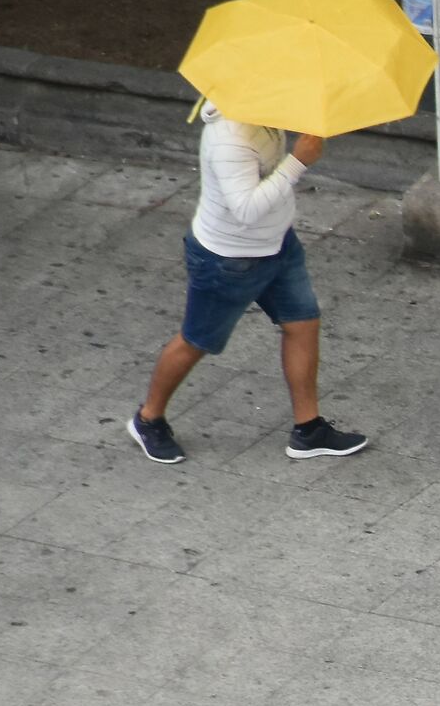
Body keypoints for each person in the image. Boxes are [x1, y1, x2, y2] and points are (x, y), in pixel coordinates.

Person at [126, 103, 368, 464]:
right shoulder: (229, 140)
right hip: (229, 260)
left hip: (278, 245)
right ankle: (148, 419)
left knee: (302, 323)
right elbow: (246, 209)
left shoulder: (267, 116)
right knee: (196, 340)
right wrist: (298, 161)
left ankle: (308, 430)